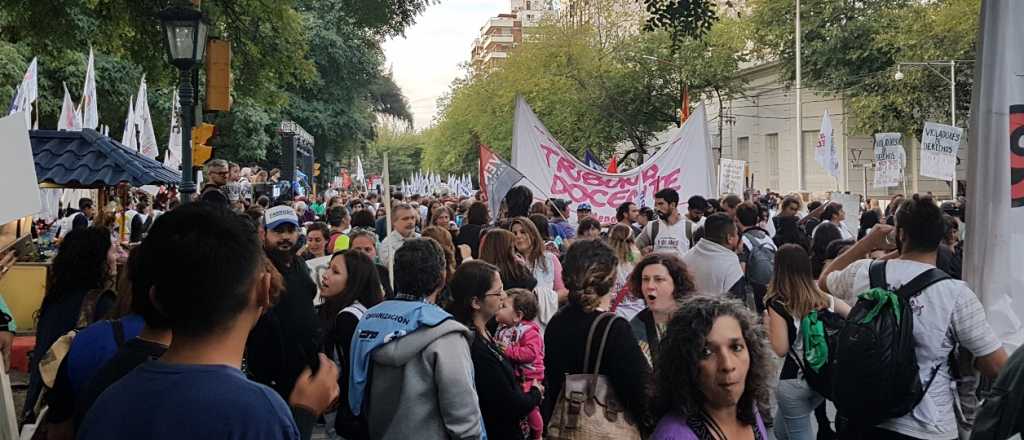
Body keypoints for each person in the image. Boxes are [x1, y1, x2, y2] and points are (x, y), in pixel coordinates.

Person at [77, 202, 338, 440]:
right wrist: (304, 413)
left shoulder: (108, 402)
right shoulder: (258, 414)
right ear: (263, 290)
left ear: (156, 298)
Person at [819, 194, 1008, 440]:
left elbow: (824, 279)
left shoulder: (863, 273)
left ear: (900, 234)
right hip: (929, 427)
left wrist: (868, 243)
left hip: (864, 419)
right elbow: (997, 366)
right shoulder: (956, 294)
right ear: (941, 236)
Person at [348, 239, 484, 440]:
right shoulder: (446, 333)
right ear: (442, 277)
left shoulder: (369, 319)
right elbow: (463, 412)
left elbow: (356, 392)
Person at [542, 239, 653, 434]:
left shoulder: (556, 322)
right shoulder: (613, 329)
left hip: (564, 427)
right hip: (604, 429)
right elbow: (641, 394)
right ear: (610, 278)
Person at [24, 227, 117, 423]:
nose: (116, 256)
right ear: (98, 258)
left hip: (43, 398)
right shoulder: (100, 301)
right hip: (72, 406)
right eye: (111, 250)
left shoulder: (55, 298)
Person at [650, 296, 772, 439]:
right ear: (685, 364)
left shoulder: (750, 411)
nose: (727, 365)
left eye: (736, 347)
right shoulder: (674, 435)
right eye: (706, 352)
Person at [763, 244, 851, 440]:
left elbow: (780, 348)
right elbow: (853, 317)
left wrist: (767, 325)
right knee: (780, 431)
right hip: (821, 378)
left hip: (793, 382)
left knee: (798, 433)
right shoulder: (824, 298)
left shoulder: (777, 303)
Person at [448, 263, 542, 440]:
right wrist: (535, 393)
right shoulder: (474, 347)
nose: (504, 296)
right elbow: (507, 404)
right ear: (476, 302)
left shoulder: (487, 331)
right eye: (498, 292)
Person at [246, 205, 321, 402]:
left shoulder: (300, 264)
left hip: (304, 369)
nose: (285, 237)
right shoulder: (258, 269)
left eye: (290, 230)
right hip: (272, 375)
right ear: (263, 234)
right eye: (278, 231)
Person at [318, 249, 384, 439]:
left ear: (354, 281)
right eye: (328, 268)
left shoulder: (348, 318)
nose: (325, 275)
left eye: (335, 271)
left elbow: (350, 373)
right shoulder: (368, 311)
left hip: (348, 417)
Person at [495, 288, 546, 440]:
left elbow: (531, 353)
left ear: (518, 315)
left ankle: (538, 433)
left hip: (530, 377)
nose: (499, 307)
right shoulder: (504, 328)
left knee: (531, 408)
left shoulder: (529, 331)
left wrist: (509, 352)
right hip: (516, 376)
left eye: (503, 306)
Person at [627, 253, 696, 366]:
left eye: (658, 279)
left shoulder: (695, 323)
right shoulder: (635, 328)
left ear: (676, 284)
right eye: (645, 279)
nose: (650, 286)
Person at [508, 217, 565, 327]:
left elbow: (563, 291)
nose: (518, 236)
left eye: (523, 232)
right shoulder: (510, 262)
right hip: (516, 324)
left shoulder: (550, 259)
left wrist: (542, 298)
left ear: (533, 234)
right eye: (514, 233)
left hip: (545, 324)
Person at [681, 213, 745, 298]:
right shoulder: (730, 263)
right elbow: (738, 303)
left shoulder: (685, 258)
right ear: (729, 238)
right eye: (736, 233)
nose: (738, 237)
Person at [736, 202, 776, 313]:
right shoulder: (767, 238)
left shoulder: (742, 241)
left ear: (737, 220)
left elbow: (742, 270)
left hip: (752, 291)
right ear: (757, 218)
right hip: (771, 287)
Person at [636, 188, 689, 257]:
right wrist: (641, 254)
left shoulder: (690, 227)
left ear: (672, 205)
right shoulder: (651, 227)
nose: (657, 208)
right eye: (656, 205)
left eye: (661, 204)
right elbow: (631, 250)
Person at [607, 224, 645, 320]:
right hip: (638, 314)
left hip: (613, 314)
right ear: (632, 241)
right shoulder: (637, 261)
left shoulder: (605, 261)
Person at [348, 229, 393, 297]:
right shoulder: (344, 273)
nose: (363, 253)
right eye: (357, 249)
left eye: (367, 249)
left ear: (375, 251)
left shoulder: (382, 271)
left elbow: (390, 298)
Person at [378, 203, 419, 267]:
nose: (410, 222)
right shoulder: (387, 244)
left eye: (412, 218)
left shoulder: (422, 238)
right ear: (394, 222)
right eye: (405, 219)